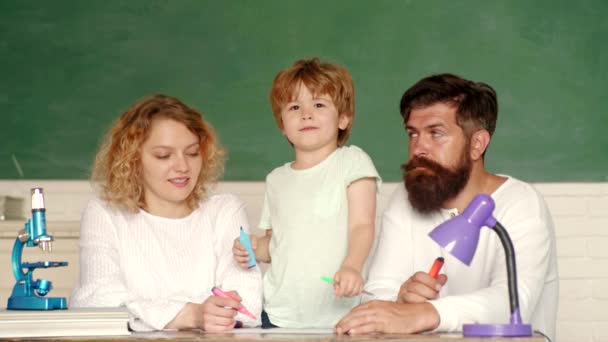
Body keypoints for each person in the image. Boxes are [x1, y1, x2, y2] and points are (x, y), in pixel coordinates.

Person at [335, 74, 558, 341]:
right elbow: (375, 296)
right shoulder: (404, 198)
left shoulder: (522, 204)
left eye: (436, 133)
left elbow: (511, 302)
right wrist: (400, 298)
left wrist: (422, 313)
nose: (419, 148)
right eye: (412, 134)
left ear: (477, 144)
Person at [70, 94, 262, 332]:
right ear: (132, 160)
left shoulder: (225, 210)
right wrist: (191, 315)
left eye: (192, 153)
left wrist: (146, 313)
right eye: (164, 155)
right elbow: (97, 301)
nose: (183, 167)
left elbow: (249, 305)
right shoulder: (105, 213)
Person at [232, 58, 381, 328]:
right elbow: (275, 244)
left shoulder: (352, 162)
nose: (306, 114)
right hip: (278, 314)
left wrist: (352, 266)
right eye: (294, 107)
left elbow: (362, 225)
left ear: (344, 119)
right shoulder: (276, 179)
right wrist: (253, 248)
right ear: (282, 124)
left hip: (339, 314)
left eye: (319, 104)